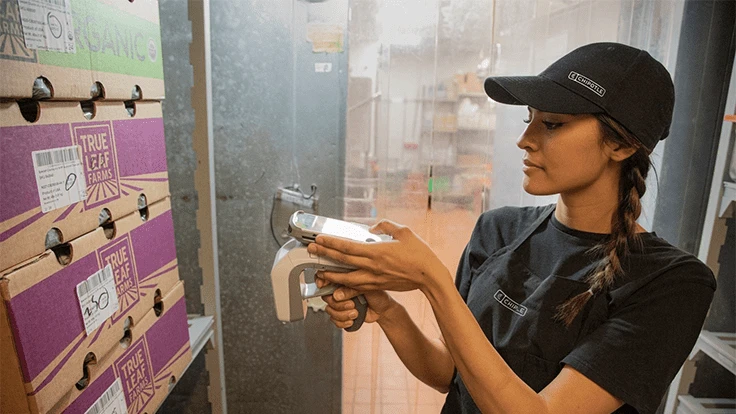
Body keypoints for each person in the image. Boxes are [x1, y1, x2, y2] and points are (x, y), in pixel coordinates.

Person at [308, 42, 716, 414]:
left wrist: (431, 281)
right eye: (528, 119)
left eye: (552, 124)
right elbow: (449, 371)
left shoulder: (671, 283)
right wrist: (391, 312)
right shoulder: (498, 230)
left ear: (622, 146)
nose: (524, 140)